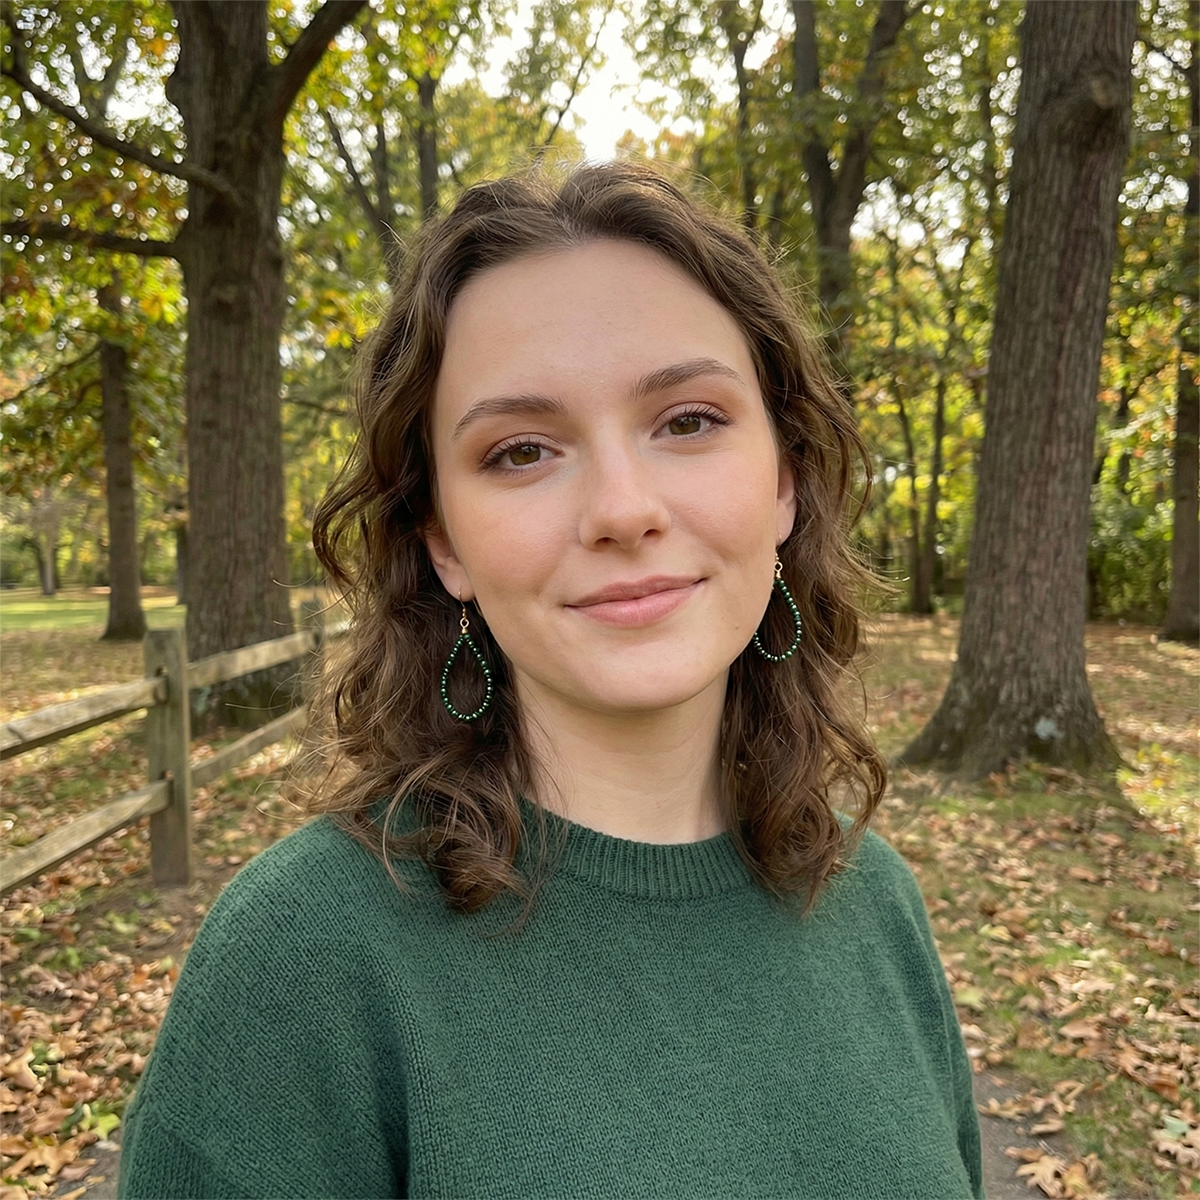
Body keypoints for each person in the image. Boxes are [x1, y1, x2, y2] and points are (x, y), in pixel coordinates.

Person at [117, 163, 984, 1200]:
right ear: (443, 539)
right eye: (522, 450)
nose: (622, 509)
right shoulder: (303, 960)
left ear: (785, 481)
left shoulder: (873, 897)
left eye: (689, 420)